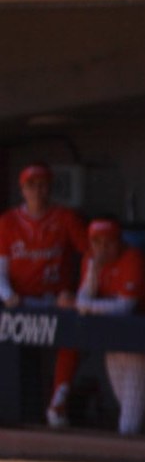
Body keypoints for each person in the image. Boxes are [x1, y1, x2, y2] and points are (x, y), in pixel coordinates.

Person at [0, 162, 89, 427]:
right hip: (20, 302)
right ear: (22, 189)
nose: (38, 190)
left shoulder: (65, 218)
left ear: (50, 188)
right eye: (31, 185)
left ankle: (58, 404)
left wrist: (80, 294)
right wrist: (6, 296)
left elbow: (91, 256)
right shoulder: (7, 222)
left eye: (42, 185)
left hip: (55, 300)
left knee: (73, 337)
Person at [58, 217, 145, 436]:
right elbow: (85, 297)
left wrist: (83, 305)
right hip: (114, 346)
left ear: (119, 241)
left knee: (129, 426)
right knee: (131, 416)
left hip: (143, 347)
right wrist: (93, 271)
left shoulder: (133, 257)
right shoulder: (90, 260)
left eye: (108, 242)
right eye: (97, 242)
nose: (102, 248)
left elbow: (124, 307)